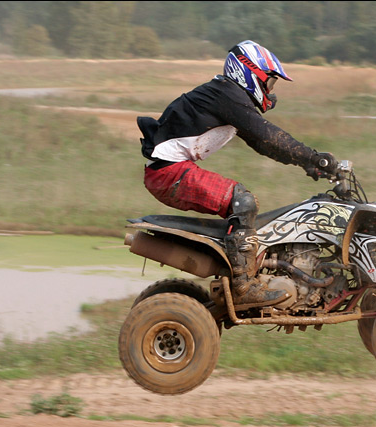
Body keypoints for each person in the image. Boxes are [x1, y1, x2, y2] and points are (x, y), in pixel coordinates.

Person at [136, 40, 338, 308]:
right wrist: (315, 157)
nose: (271, 91)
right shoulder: (227, 95)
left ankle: (246, 271)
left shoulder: (227, 97)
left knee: (241, 205)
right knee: (242, 202)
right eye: (270, 82)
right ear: (249, 72)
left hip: (169, 171)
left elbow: (263, 144)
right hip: (170, 173)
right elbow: (269, 135)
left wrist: (307, 164)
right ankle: (243, 287)